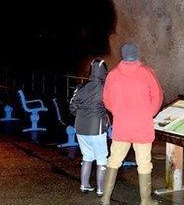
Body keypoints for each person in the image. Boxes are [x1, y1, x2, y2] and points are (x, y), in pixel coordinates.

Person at [100, 43, 163, 205]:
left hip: (122, 125)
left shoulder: (113, 74)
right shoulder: (147, 73)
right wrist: (148, 113)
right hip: (142, 126)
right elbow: (157, 97)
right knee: (144, 163)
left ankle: (105, 198)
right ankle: (145, 200)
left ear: (123, 55)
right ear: (137, 54)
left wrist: (118, 112)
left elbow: (107, 100)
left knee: (113, 160)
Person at [69, 58, 110, 195]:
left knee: (87, 156)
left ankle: (84, 185)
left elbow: (72, 108)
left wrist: (82, 114)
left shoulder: (81, 87)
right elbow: (111, 106)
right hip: (96, 128)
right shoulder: (105, 88)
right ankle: (100, 189)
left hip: (80, 127)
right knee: (102, 158)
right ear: (104, 72)